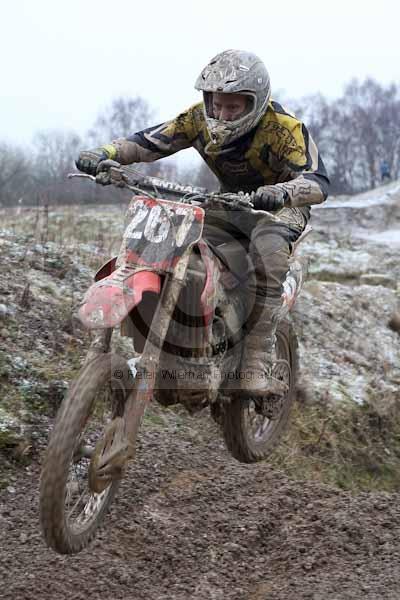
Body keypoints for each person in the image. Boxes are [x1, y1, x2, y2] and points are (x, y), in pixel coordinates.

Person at [76, 49, 330, 399]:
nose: (222, 114)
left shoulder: (284, 129)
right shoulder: (197, 118)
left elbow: (318, 182)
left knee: (269, 252)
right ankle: (184, 338)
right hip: (229, 201)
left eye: (233, 107)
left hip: (282, 207)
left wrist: (282, 192)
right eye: (217, 104)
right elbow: (149, 142)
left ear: (254, 102)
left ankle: (256, 357)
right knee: (184, 244)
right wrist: (105, 154)